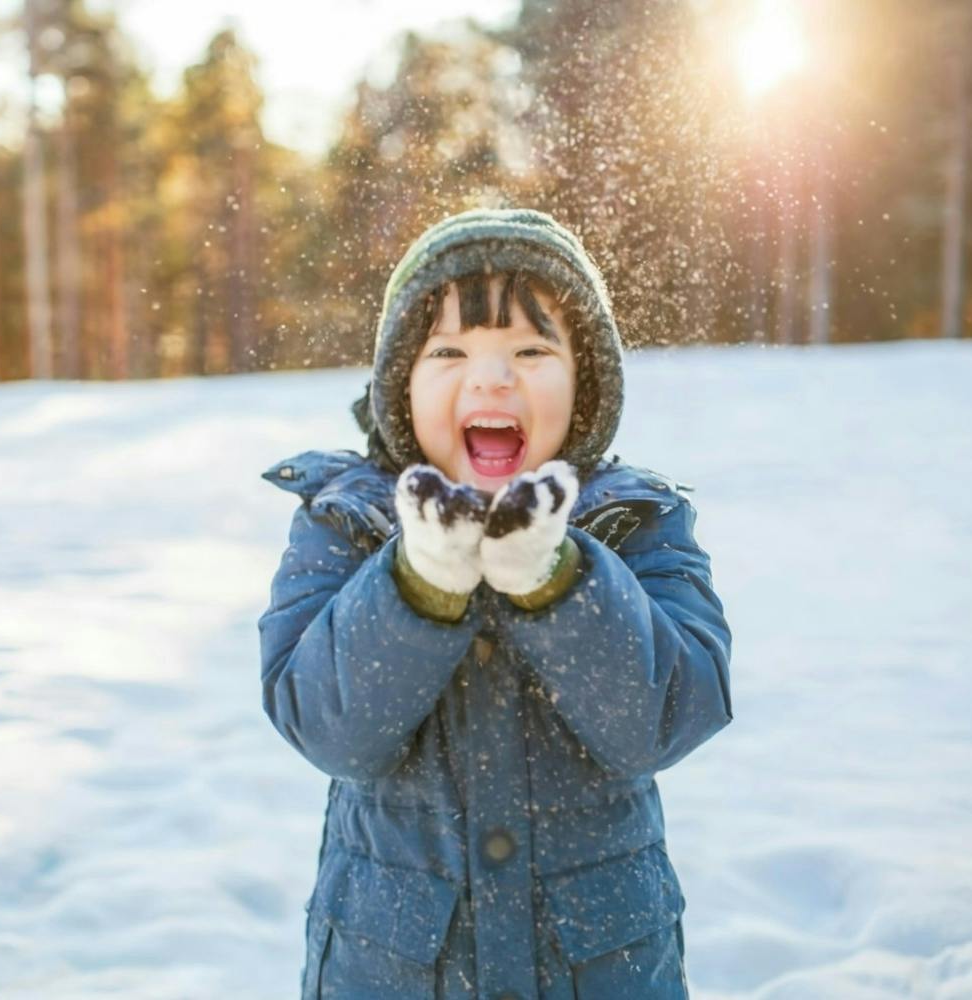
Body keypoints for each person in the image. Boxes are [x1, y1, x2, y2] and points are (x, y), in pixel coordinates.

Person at [258, 208, 733, 999]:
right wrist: (417, 582)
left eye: (531, 350)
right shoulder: (344, 522)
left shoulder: (637, 520)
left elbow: (668, 714)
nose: (491, 378)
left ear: (586, 386)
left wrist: (560, 580)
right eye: (448, 351)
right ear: (397, 387)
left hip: (598, 967)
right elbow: (328, 728)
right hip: (395, 969)